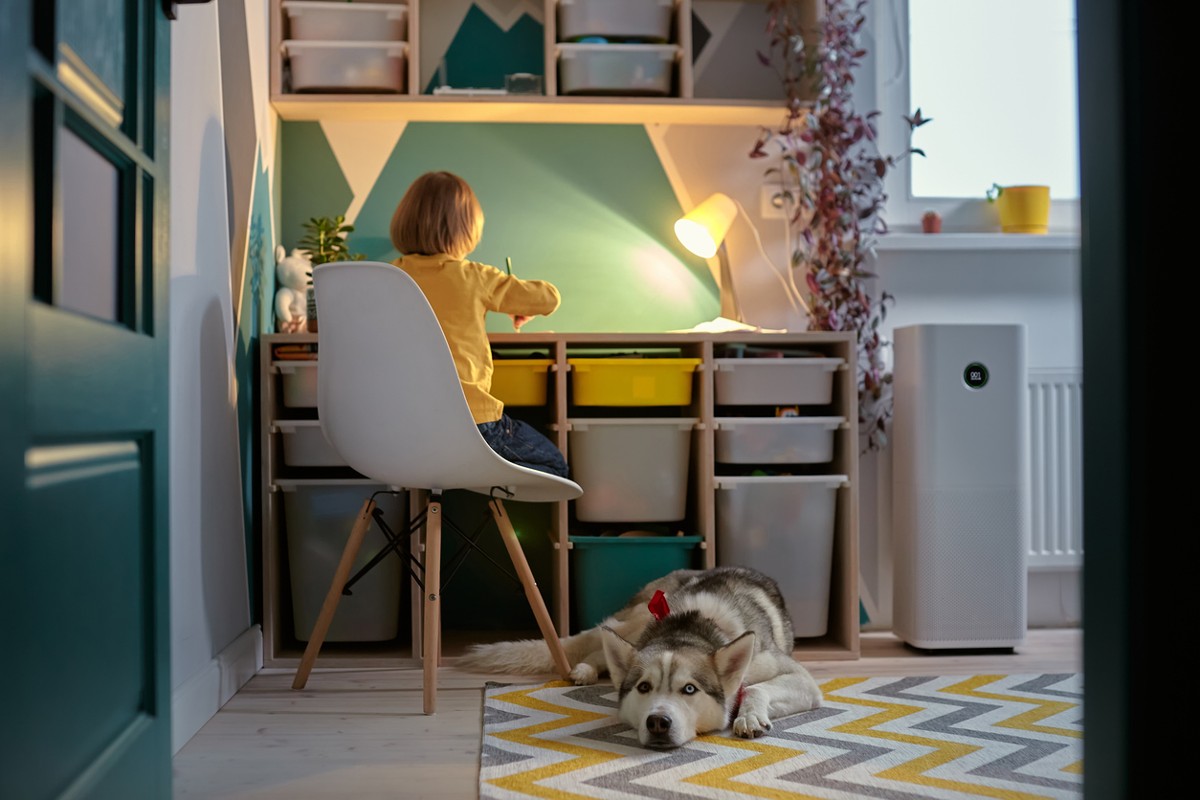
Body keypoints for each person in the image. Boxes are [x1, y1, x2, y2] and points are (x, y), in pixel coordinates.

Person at [389, 171, 569, 478]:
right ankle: (489, 499)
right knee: (556, 465)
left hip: (404, 425)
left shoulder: (389, 276)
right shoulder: (474, 276)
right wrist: (520, 303)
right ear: (466, 229)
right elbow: (548, 298)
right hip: (472, 424)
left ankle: (447, 488)